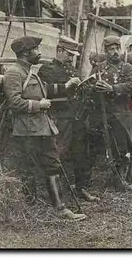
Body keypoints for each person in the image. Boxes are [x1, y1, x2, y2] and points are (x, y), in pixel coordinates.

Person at [3, 36, 86, 220]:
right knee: (29, 168)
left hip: (42, 127)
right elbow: (15, 103)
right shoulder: (14, 73)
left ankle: (60, 208)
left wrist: (65, 87)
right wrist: (38, 105)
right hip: (27, 130)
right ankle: (31, 207)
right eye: (36, 49)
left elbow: (45, 90)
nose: (39, 52)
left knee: (52, 163)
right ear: (26, 53)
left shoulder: (31, 71)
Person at [39, 36, 100, 202]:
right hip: (60, 117)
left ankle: (81, 188)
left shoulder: (72, 70)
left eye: (73, 55)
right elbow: (43, 91)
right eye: (69, 54)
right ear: (59, 51)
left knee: (80, 152)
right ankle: (58, 194)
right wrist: (65, 86)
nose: (72, 58)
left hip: (77, 117)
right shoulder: (47, 69)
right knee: (60, 152)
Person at [88, 35, 132, 190]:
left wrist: (112, 88)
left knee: (122, 146)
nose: (115, 52)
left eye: (117, 49)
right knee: (103, 146)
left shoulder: (127, 67)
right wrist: (95, 87)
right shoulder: (99, 68)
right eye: (111, 49)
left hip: (121, 113)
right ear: (106, 51)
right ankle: (106, 177)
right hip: (102, 113)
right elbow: (89, 84)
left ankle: (120, 178)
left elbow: (131, 85)